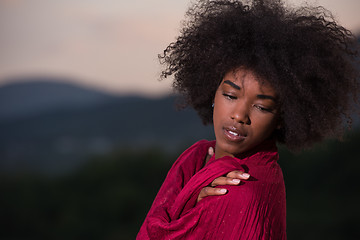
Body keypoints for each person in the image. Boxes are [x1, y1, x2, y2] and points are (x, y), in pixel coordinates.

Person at [137, 0, 359, 239]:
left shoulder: (240, 193)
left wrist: (200, 210)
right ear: (213, 91)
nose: (239, 115)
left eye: (261, 107)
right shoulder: (198, 157)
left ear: (283, 118)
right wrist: (194, 204)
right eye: (231, 95)